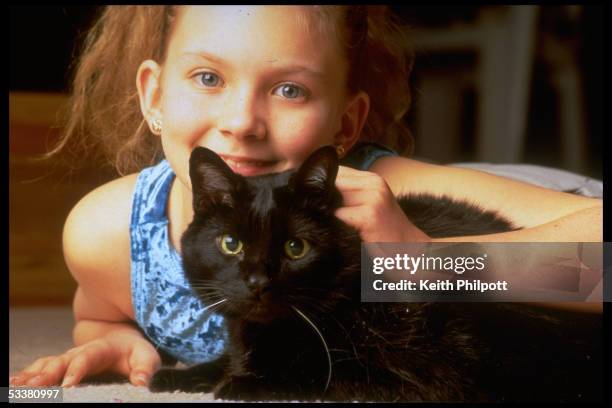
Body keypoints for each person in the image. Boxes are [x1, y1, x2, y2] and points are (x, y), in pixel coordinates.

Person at [10, 5, 602, 389]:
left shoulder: (385, 194)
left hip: (538, 204)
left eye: (290, 89)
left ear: (346, 125)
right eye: (208, 78)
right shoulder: (107, 233)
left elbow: (602, 269)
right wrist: (113, 339)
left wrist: (428, 261)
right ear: (154, 97)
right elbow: (97, 312)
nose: (242, 121)